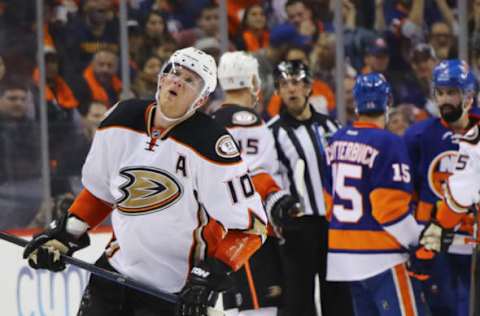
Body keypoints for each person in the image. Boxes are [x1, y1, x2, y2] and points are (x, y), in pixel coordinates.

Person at [22, 47, 267, 316]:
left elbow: (251, 228)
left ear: (201, 99)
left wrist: (210, 275)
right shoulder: (120, 119)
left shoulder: (212, 145)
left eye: (190, 79)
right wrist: (67, 234)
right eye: (173, 72)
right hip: (114, 274)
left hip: (173, 290)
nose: (177, 80)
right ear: (161, 79)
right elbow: (101, 192)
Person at [324, 72, 428, 316]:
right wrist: (419, 242)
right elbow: (389, 211)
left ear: (356, 104)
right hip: (383, 256)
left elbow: (328, 201)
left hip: (344, 257)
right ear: (388, 101)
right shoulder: (388, 142)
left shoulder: (335, 140)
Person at [267, 60, 353, 316]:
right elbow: (267, 177)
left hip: (334, 223)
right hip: (297, 226)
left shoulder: (333, 127)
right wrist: (279, 203)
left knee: (339, 296)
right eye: (284, 84)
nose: (290, 89)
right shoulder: (271, 132)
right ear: (278, 91)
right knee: (297, 299)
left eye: (295, 82)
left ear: (308, 87)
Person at [213, 51, 295, 316]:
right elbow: (252, 178)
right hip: (251, 231)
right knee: (260, 309)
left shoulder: (210, 122)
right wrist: (276, 200)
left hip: (223, 230)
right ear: (251, 81)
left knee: (241, 308)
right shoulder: (249, 122)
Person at [405, 60, 480, 316]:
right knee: (441, 309)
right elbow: (408, 190)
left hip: (473, 238)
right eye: (441, 92)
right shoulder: (419, 136)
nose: (445, 99)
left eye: (453, 92)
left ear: (468, 95)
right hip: (435, 243)